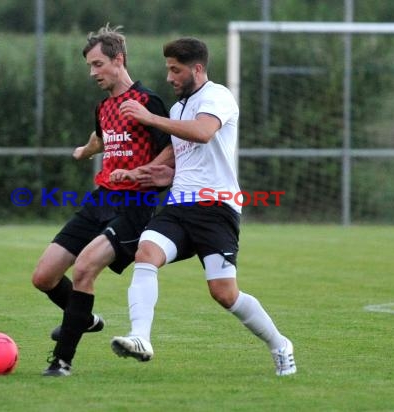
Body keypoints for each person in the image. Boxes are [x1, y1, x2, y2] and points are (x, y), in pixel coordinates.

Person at [109, 37, 297, 376]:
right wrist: (140, 172)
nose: (169, 77)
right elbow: (175, 155)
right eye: (168, 69)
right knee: (146, 253)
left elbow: (203, 132)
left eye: (176, 70)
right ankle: (140, 338)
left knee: (224, 294)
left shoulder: (217, 96)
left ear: (197, 68)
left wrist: (149, 118)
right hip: (179, 205)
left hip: (216, 209)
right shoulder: (179, 108)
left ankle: (280, 344)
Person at [31, 24, 173, 377]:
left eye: (97, 64)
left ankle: (61, 361)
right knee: (44, 276)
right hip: (101, 200)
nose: (92, 72)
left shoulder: (147, 102)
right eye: (90, 66)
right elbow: (101, 136)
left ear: (118, 60)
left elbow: (172, 149)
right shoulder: (104, 107)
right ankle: (86, 319)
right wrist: (86, 149)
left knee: (84, 269)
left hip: (135, 206)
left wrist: (141, 173)